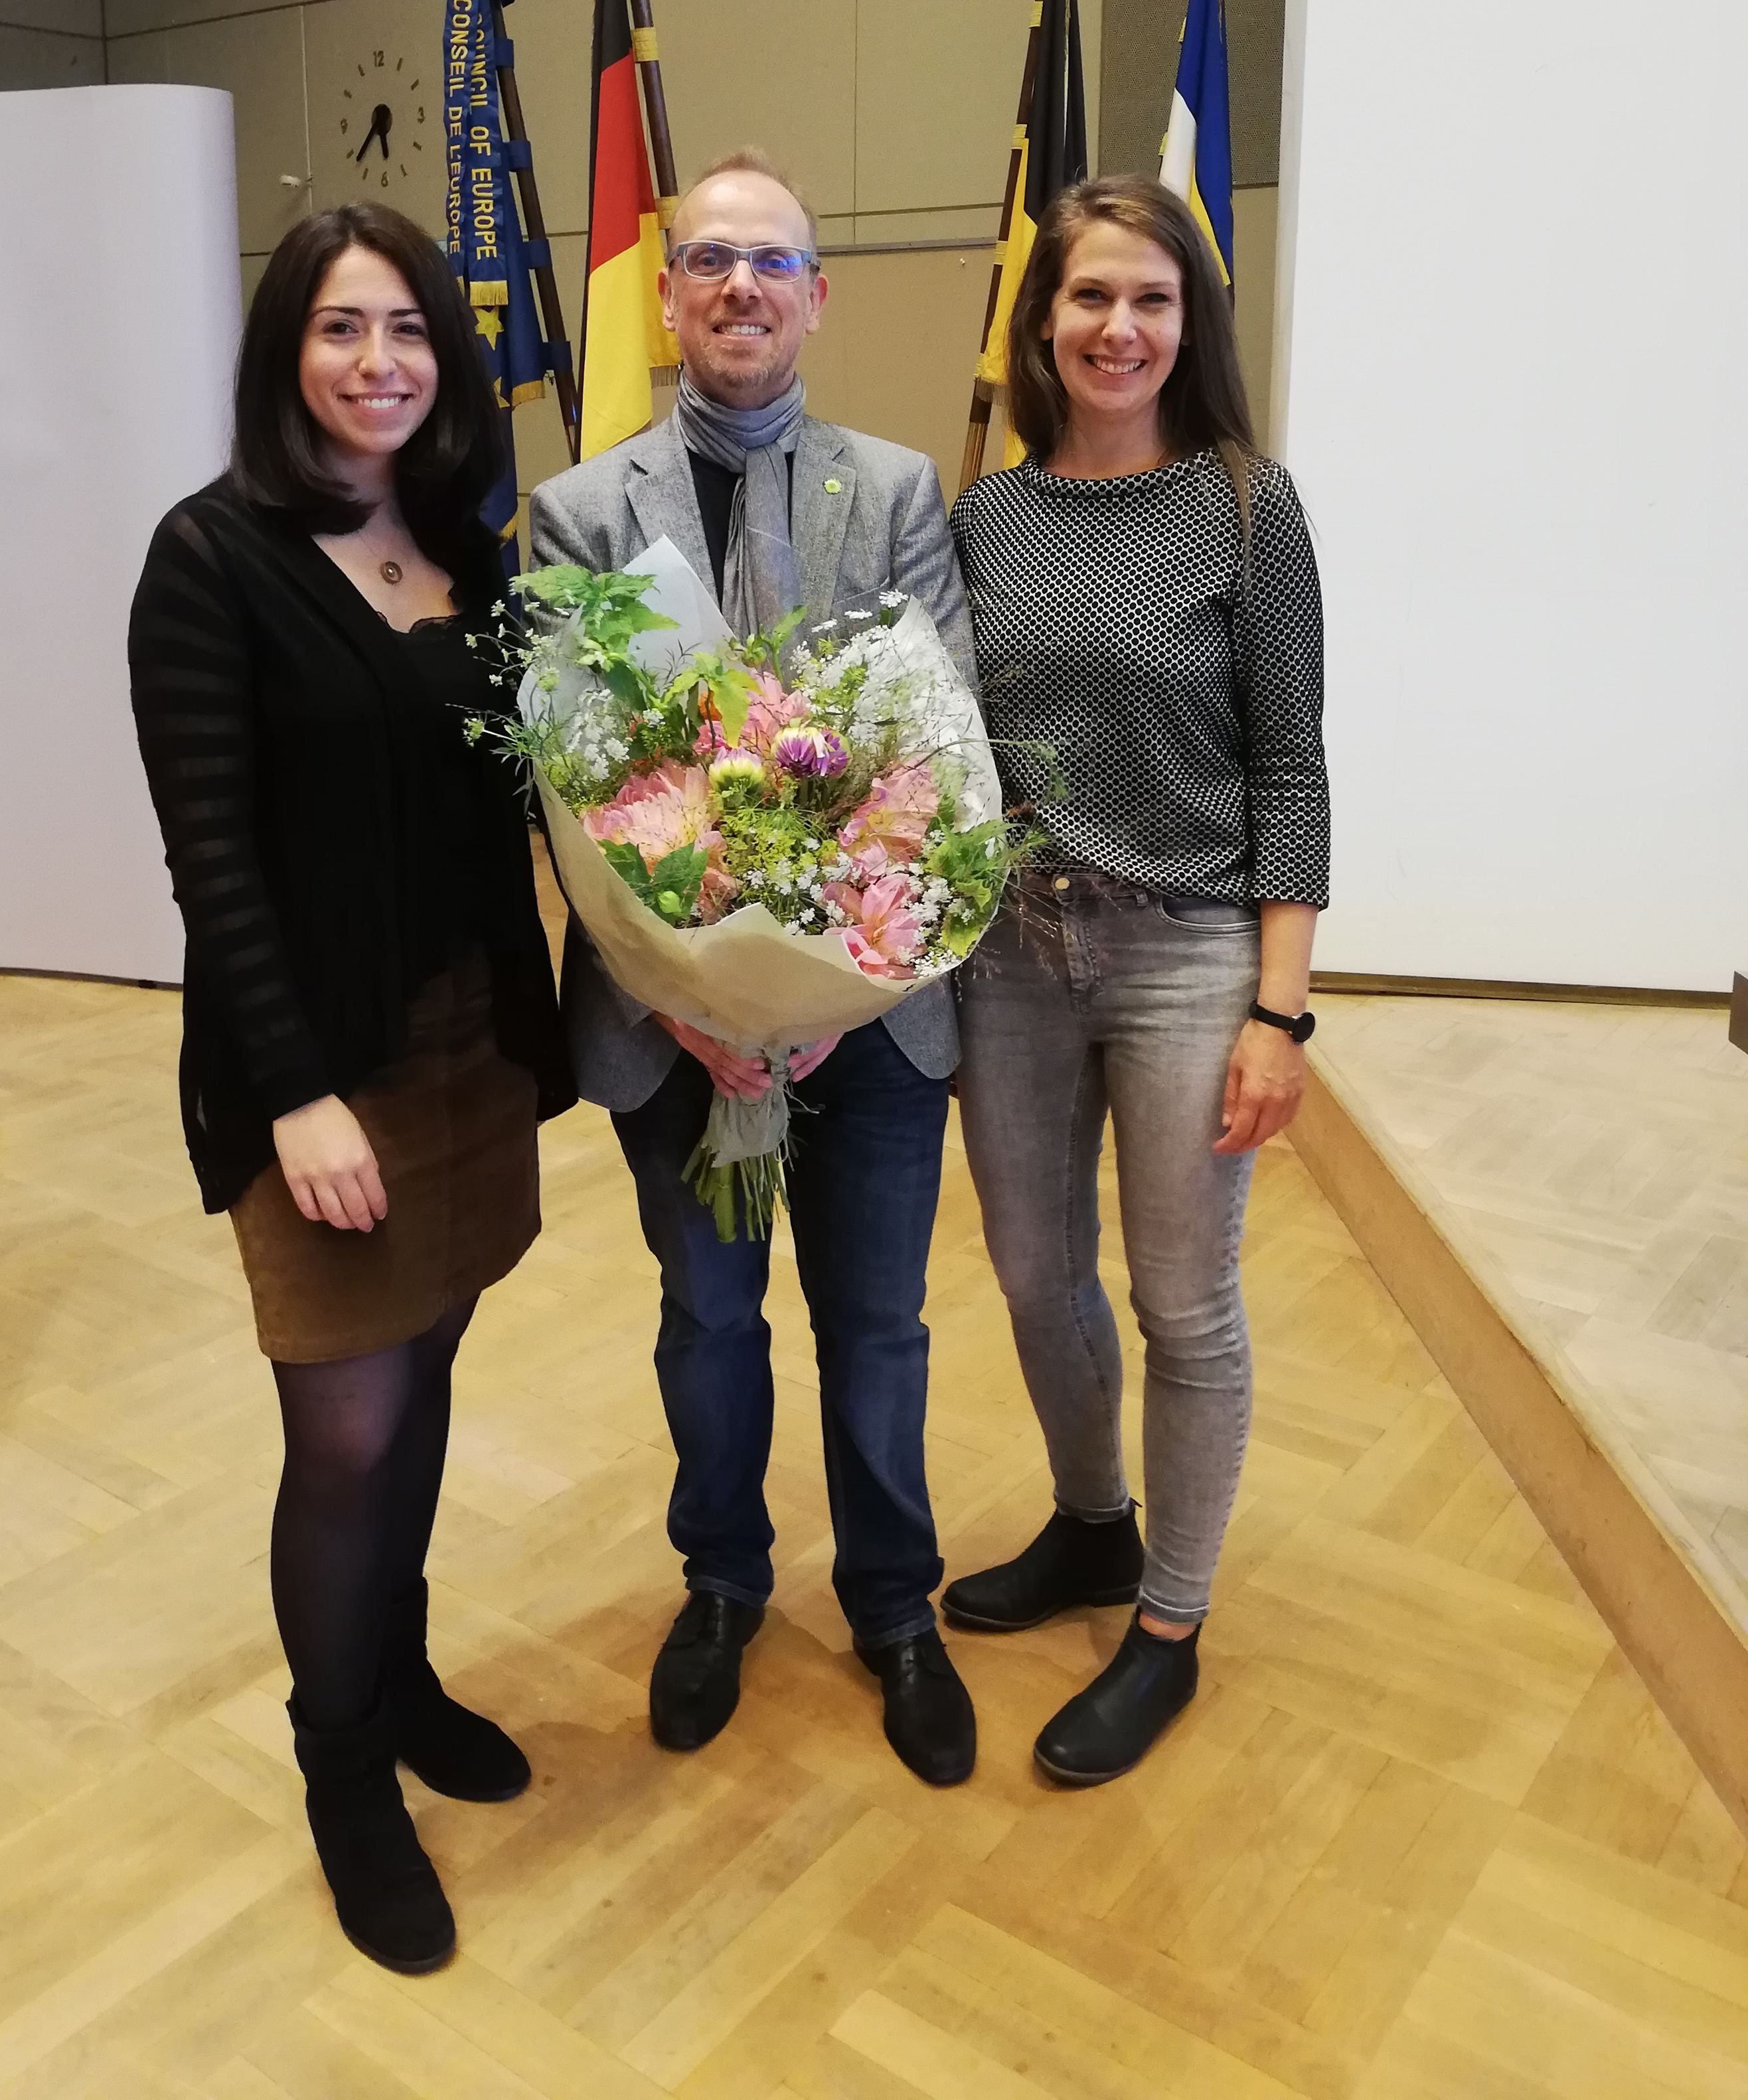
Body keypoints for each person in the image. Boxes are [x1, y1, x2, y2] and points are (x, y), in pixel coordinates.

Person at [128, 204, 573, 1973]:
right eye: (338, 329)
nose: (376, 359)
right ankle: (340, 1770)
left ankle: (396, 1677)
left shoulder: (471, 546)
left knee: (437, 1355)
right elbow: (210, 857)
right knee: (348, 1421)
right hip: (313, 1064)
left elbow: (550, 797)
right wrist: (300, 1096)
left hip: (473, 1039)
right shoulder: (210, 556)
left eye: (403, 328)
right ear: (283, 354)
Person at [528, 148, 979, 1786]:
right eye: (708, 259)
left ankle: (894, 1604)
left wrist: (823, 974)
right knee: (710, 1319)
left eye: (769, 262)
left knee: (877, 1323)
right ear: (670, 291)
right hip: (674, 1028)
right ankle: (722, 1586)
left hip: (873, 1013)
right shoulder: (582, 510)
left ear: (814, 293)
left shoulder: (901, 487)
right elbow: (579, 776)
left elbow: (937, 751)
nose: (737, 287)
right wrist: (695, 988)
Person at [944, 175, 1329, 1785]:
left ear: (1191, 324)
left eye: (1151, 300)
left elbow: (1293, 767)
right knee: (1037, 1278)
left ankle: (1169, 1618)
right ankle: (1095, 1527)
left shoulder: (1250, 504)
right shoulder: (987, 520)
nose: (1119, 327)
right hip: (1012, 956)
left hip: (1187, 957)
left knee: (1185, 1299)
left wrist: (1278, 1007)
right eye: (1090, 296)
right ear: (1044, 322)